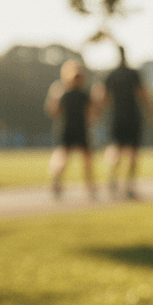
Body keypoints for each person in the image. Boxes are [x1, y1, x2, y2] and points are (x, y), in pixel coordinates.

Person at [97, 45, 150, 199]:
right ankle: (128, 186)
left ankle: (112, 180)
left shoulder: (111, 75)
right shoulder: (134, 74)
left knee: (116, 149)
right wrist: (150, 112)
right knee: (132, 152)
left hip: (117, 117)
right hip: (132, 116)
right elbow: (143, 94)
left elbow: (102, 98)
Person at [45, 60, 98, 200]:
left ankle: (57, 182)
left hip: (67, 129)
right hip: (79, 129)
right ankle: (90, 187)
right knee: (85, 159)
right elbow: (92, 115)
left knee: (68, 157)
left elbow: (53, 111)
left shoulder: (63, 93)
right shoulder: (83, 94)